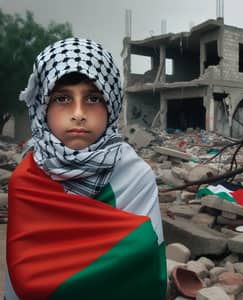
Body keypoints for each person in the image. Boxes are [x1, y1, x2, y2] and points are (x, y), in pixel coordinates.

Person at [5, 38, 167, 300]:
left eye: (93, 98)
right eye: (62, 98)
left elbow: (147, 266)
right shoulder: (26, 180)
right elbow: (20, 277)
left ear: (111, 104)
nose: (78, 113)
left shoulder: (135, 177)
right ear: (42, 107)